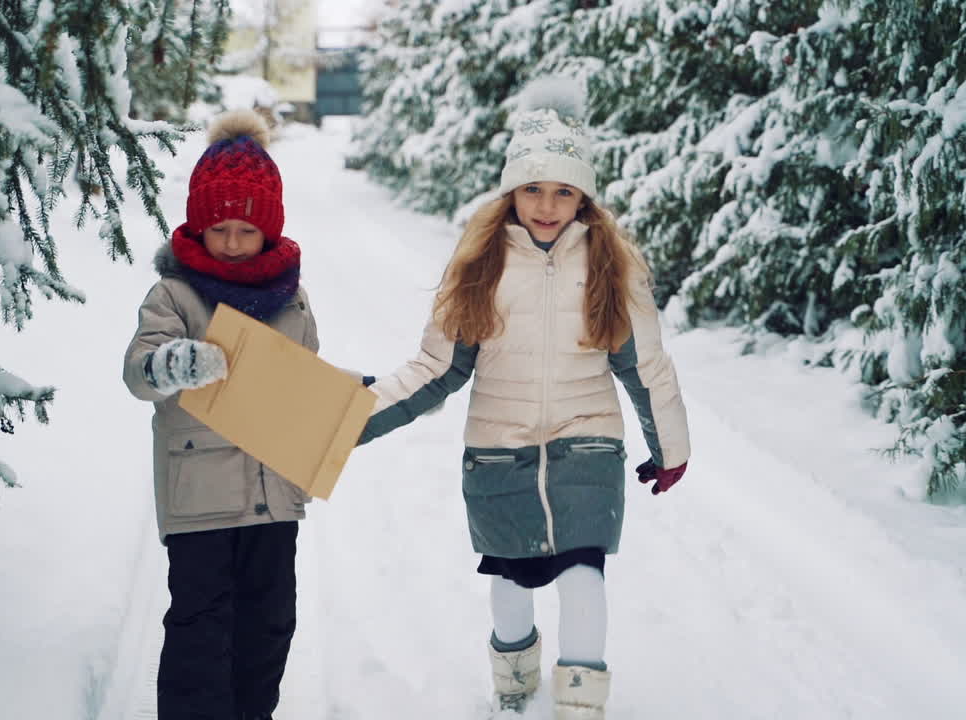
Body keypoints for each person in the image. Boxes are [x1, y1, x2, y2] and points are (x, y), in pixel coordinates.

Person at [357, 78, 691, 720]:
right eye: (533, 188)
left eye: (564, 190)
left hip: (588, 443)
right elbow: (437, 368)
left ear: (583, 197)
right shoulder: (480, 262)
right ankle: (513, 688)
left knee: (583, 573)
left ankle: (579, 703)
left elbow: (644, 364)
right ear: (512, 189)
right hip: (498, 451)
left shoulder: (609, 265)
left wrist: (669, 447)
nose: (546, 204)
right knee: (510, 578)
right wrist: (354, 418)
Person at [122, 109, 316, 720]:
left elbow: (302, 378)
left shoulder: (292, 297)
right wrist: (174, 364)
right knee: (201, 628)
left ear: (270, 230)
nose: (232, 242)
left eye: (246, 229)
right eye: (220, 227)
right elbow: (140, 369)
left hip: (272, 494)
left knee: (269, 623)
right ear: (198, 225)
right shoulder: (174, 294)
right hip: (198, 497)